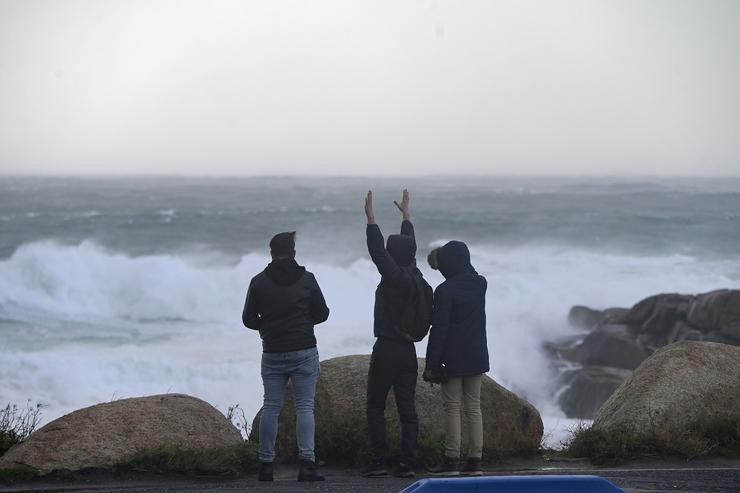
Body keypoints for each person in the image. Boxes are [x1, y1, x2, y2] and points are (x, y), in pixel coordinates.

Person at [242, 231, 330, 482]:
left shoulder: (258, 282)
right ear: (293, 252)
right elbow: (322, 313)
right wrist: (303, 322)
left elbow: (248, 319)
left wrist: (267, 326)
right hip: (303, 350)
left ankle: (266, 466)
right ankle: (307, 465)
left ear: (271, 253)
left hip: (272, 352)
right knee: (304, 407)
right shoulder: (307, 279)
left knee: (271, 407)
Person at [360, 189, 419, 479]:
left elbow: (377, 252)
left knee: (375, 405)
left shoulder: (393, 277)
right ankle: (408, 462)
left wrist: (371, 220)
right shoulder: (414, 274)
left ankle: (379, 460)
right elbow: (411, 248)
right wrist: (406, 218)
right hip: (409, 351)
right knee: (407, 408)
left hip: (387, 349)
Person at [423, 241, 489, 476]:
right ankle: (475, 460)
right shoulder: (480, 284)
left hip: (453, 357)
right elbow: (472, 272)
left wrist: (431, 364)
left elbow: (439, 330)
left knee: (452, 407)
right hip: (477, 354)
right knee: (473, 407)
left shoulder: (445, 291)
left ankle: (451, 459)